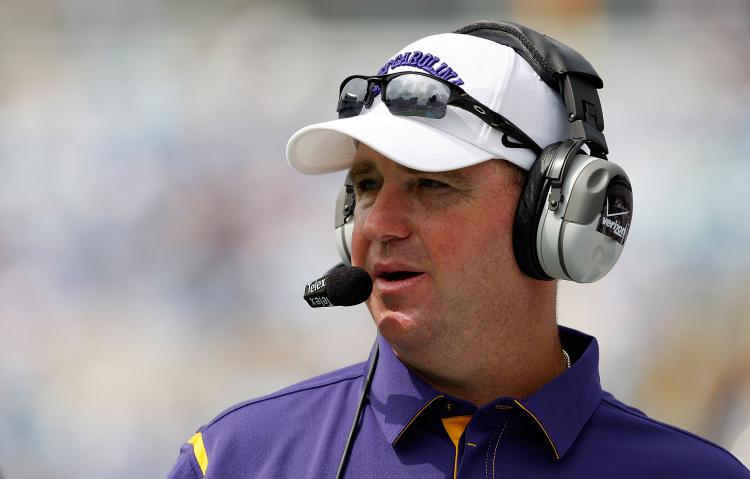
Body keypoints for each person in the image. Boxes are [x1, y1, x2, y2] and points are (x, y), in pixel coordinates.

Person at [167, 21, 749, 478]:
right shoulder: (235, 460)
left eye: (431, 184)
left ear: (555, 217)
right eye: (366, 186)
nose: (380, 225)